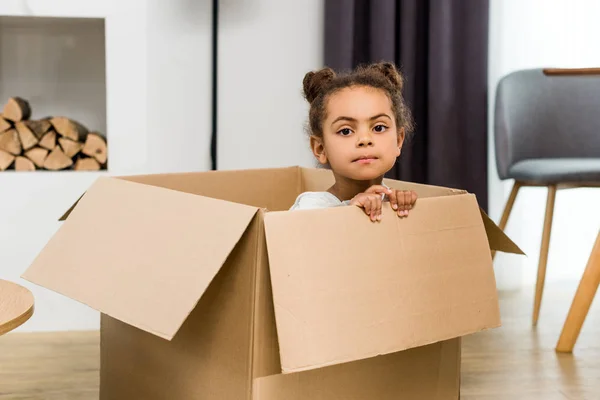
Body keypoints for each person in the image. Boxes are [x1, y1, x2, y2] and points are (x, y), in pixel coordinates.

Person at [290, 62, 418, 222]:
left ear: (398, 140)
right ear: (320, 148)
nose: (365, 139)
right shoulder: (309, 208)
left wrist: (406, 208)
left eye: (378, 128)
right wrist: (350, 213)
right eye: (346, 131)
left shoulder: (391, 201)